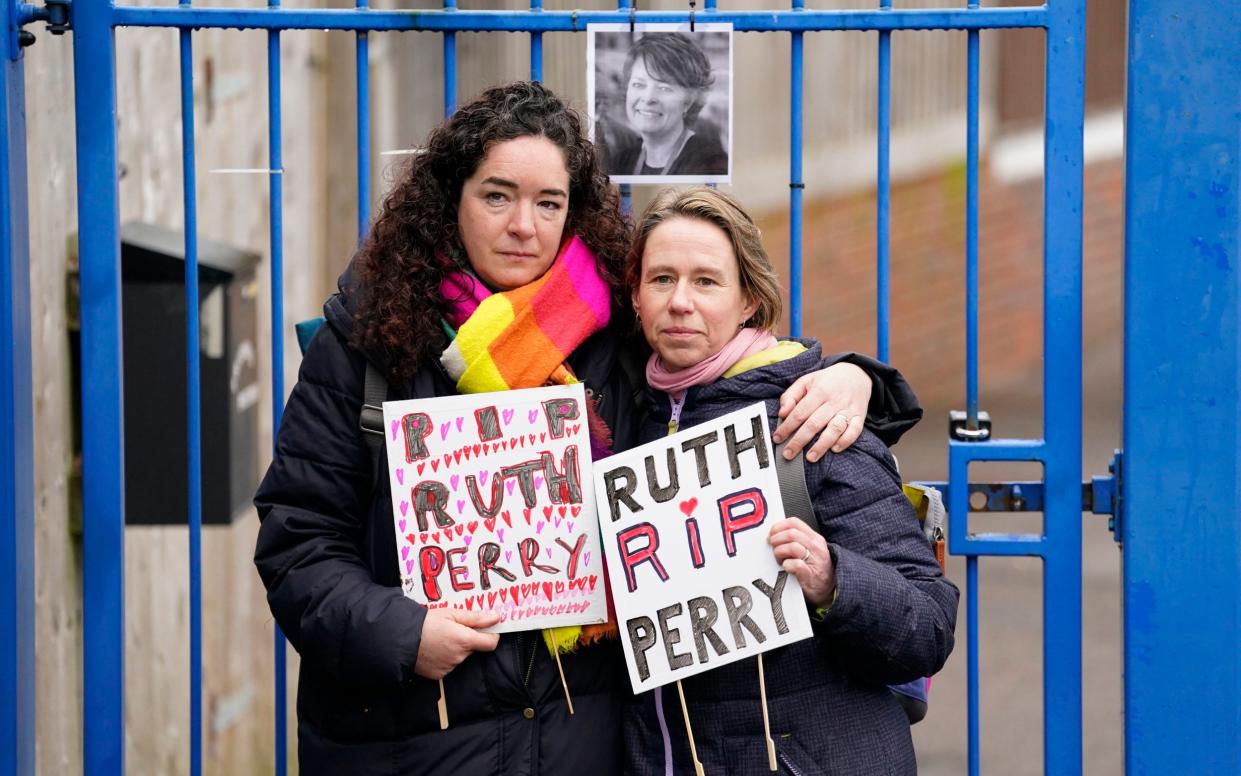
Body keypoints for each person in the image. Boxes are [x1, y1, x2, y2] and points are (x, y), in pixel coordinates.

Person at [253, 81, 919, 775]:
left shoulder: (616, 333)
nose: (523, 226)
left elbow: (734, 368)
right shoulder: (365, 341)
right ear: (449, 199)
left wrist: (854, 378)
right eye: (497, 196)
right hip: (411, 740)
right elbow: (298, 540)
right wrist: (401, 633)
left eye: (548, 203)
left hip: (582, 740)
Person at [623, 187, 959, 776]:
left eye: (706, 281)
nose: (680, 302)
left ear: (750, 299)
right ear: (634, 295)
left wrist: (834, 581)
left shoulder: (811, 419)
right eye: (661, 279)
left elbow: (928, 625)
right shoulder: (623, 422)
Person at [601, 33, 729, 177]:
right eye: (638, 84)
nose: (648, 98)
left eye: (664, 88)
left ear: (689, 100)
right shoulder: (623, 160)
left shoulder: (710, 162)